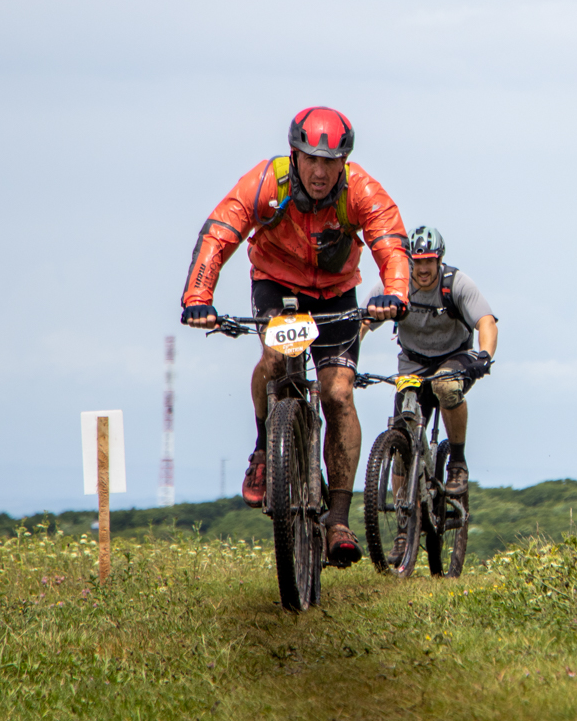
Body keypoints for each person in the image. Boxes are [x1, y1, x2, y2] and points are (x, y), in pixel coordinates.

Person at [180, 106, 411, 567]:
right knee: (275, 359)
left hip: (336, 294)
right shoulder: (268, 183)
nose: (321, 172)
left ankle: (338, 520)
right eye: (312, 160)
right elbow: (220, 231)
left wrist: (395, 293)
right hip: (277, 284)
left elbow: (391, 242)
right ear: (295, 155)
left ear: (344, 162)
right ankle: (264, 449)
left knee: (338, 393)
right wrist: (198, 297)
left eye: (331, 162)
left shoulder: (360, 191)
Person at [377, 226, 498, 496]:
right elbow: (364, 320)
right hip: (413, 364)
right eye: (417, 262)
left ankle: (457, 463)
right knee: (401, 436)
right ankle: (404, 513)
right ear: (409, 260)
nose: (423, 269)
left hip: (454, 356)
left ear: (439, 260)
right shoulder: (396, 283)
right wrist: (347, 357)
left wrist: (485, 355)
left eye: (429, 261)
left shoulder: (457, 283)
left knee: (446, 386)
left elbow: (486, 321)